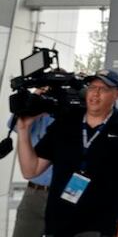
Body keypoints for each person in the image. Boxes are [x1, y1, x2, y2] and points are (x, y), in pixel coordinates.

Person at [16, 69, 118, 236]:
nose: (95, 93)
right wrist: (23, 130)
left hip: (100, 226)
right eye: (92, 87)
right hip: (59, 224)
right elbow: (31, 170)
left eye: (103, 89)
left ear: (117, 94)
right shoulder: (64, 125)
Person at [9, 88, 54, 237]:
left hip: (63, 193)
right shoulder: (34, 112)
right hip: (34, 192)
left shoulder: (66, 114)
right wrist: (33, 97)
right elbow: (14, 124)